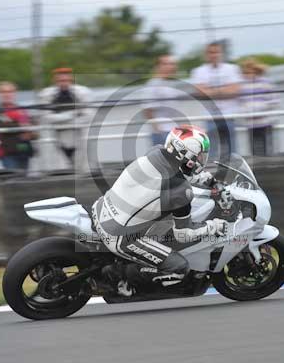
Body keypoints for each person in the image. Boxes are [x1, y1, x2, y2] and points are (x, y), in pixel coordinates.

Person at [92, 124, 228, 296]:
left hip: (101, 210)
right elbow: (183, 234)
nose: (203, 159)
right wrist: (213, 226)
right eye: (200, 155)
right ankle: (121, 278)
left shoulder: (155, 153)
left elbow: (178, 174)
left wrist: (209, 181)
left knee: (162, 229)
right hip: (120, 236)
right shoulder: (181, 192)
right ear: (187, 155)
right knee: (179, 268)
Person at [190, 42, 242, 162]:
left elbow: (235, 90)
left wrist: (211, 91)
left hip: (229, 116)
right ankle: (212, 177)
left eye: (217, 52)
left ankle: (232, 175)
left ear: (222, 53)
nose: (214, 55)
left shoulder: (232, 69)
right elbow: (201, 93)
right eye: (211, 52)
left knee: (232, 153)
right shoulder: (199, 71)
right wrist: (224, 90)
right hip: (210, 118)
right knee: (211, 154)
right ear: (206, 55)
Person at [38, 67, 91, 171]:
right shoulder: (46, 94)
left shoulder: (82, 92)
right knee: (61, 170)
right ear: (55, 81)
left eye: (66, 80)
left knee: (81, 169)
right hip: (57, 137)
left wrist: (68, 120)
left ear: (71, 80)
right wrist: (73, 114)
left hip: (78, 136)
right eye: (60, 81)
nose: (64, 83)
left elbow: (89, 115)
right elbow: (47, 117)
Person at [240, 59, 279, 156]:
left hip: (265, 122)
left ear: (255, 71)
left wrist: (259, 109)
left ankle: (269, 167)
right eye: (245, 73)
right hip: (251, 123)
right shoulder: (242, 86)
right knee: (253, 151)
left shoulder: (265, 83)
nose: (247, 75)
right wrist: (247, 111)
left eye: (249, 72)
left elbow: (274, 101)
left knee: (267, 149)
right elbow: (240, 103)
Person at [0, 81, 35, 172]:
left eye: (10, 92)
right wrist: (23, 127)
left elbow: (32, 129)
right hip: (8, 153)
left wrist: (29, 132)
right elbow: (4, 125)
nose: (7, 94)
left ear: (14, 93)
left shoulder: (22, 110)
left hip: (23, 149)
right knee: (12, 179)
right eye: (3, 92)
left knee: (24, 180)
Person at [143, 55, 185, 145]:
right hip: (162, 132)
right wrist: (157, 130)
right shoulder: (153, 84)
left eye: (173, 64)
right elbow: (148, 110)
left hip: (175, 131)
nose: (171, 67)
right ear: (158, 67)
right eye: (166, 64)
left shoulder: (173, 83)